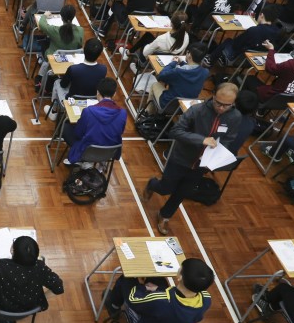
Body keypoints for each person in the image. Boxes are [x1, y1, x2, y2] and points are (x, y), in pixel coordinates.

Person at [142, 83, 242, 234]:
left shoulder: (235, 117)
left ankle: (165, 215)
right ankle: (152, 184)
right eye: (218, 103)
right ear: (213, 96)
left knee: (182, 193)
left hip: (202, 164)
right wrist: (201, 140)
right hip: (180, 158)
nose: (221, 108)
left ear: (233, 103)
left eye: (226, 105)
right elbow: (176, 131)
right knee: (165, 188)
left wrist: (219, 154)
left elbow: (229, 138)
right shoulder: (197, 110)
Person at [0, 236, 63, 323]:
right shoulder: (40, 268)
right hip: (27, 309)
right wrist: (40, 298)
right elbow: (59, 287)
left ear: (12, 251)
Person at [108, 257, 215, 323]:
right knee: (159, 280)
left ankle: (113, 307)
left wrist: (137, 282)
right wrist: (158, 290)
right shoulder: (206, 299)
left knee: (126, 279)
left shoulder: (160, 300)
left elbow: (133, 299)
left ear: (180, 277)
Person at [61, 77, 126, 165]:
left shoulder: (89, 111)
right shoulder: (123, 113)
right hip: (109, 151)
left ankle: (81, 160)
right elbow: (120, 131)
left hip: (87, 150)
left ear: (98, 92)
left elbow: (78, 133)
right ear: (114, 94)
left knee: (66, 126)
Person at [242, 37, 294, 102]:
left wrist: (271, 50)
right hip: (291, 100)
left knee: (249, 79)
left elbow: (270, 68)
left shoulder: (290, 65)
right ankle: (262, 111)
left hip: (272, 97)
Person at [206, 4, 282, 69]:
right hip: (256, 59)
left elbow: (236, 44)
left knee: (228, 41)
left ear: (261, 15)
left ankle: (210, 60)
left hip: (238, 55)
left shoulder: (254, 30)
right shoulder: (276, 31)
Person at [49, 38, 107, 113]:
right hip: (92, 99)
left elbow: (63, 85)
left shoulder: (74, 69)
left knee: (57, 82)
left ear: (84, 50)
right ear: (99, 54)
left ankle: (54, 111)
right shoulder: (103, 69)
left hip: (73, 99)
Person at [152, 42, 210, 113]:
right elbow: (192, 70)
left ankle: (147, 113)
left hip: (168, 104)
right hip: (186, 106)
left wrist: (173, 63)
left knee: (155, 84)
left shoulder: (178, 71)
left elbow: (161, 76)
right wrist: (182, 63)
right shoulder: (205, 72)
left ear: (189, 55)